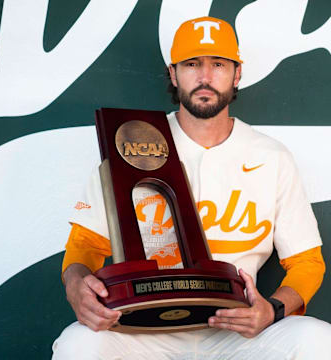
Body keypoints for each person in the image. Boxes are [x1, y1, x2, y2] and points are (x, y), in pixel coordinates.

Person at [52, 16, 331, 359]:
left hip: (235, 329)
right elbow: (85, 244)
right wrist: (76, 286)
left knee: (318, 339)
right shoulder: (131, 142)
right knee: (78, 343)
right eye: (192, 64)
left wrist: (271, 310)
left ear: (237, 73)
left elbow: (307, 261)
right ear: (173, 73)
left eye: (218, 64)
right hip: (144, 328)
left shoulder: (271, 156)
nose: (205, 77)